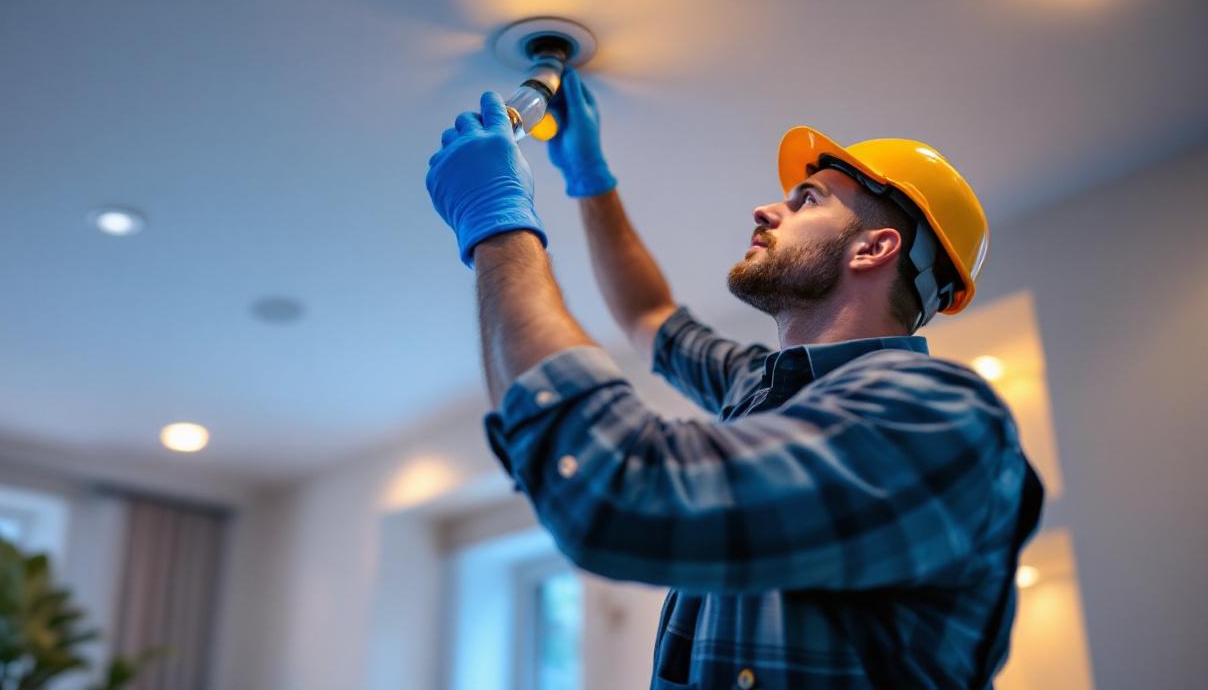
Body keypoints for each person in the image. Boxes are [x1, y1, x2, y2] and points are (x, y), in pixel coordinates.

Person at [425, 67, 1044, 689]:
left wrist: (497, 223)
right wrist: (590, 180)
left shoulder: (935, 417)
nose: (767, 207)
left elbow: (619, 487)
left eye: (807, 201)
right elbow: (650, 316)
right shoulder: (764, 394)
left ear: (872, 249)